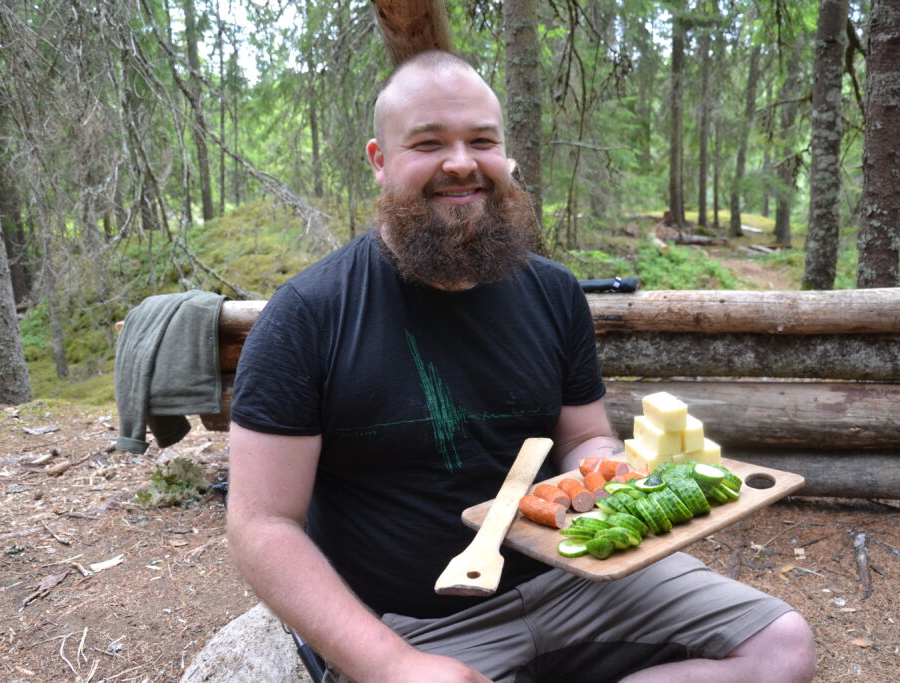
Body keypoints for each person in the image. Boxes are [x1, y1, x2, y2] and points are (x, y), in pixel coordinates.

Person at [226, 50, 816, 683]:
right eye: (428, 143)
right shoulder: (309, 314)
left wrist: (611, 477)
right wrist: (393, 665)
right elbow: (261, 525)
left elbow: (584, 437)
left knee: (782, 648)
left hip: (582, 576)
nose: (461, 162)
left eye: (481, 141)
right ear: (379, 160)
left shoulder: (553, 291)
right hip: (418, 623)